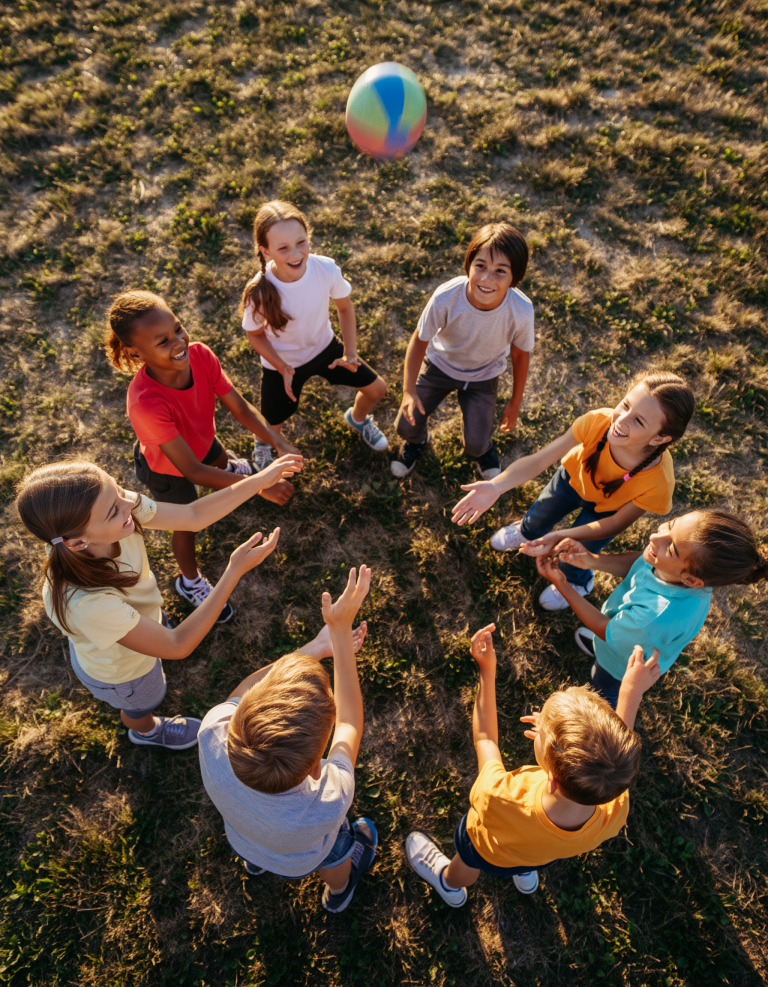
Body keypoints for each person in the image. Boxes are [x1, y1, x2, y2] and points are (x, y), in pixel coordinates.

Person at [15, 457, 302, 750]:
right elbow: (177, 645)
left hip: (129, 625)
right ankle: (146, 731)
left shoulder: (115, 506)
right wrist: (233, 572)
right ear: (76, 542)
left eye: (117, 489)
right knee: (143, 703)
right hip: (124, 673)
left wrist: (259, 481)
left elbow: (192, 515)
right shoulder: (86, 604)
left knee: (155, 640)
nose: (129, 503)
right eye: (114, 510)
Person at [405, 625, 660, 905]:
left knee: (465, 863)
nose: (539, 730)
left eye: (542, 735)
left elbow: (485, 738)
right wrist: (630, 694)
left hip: (488, 849)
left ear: (552, 779)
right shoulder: (614, 806)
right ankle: (525, 872)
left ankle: (448, 884)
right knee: (528, 857)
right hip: (541, 855)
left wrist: (487, 671)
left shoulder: (500, 795)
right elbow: (614, 759)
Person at [107, 290, 298, 623]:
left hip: (202, 441)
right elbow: (192, 471)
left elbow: (239, 407)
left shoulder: (200, 355)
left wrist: (277, 441)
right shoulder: (146, 404)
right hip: (169, 471)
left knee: (220, 459)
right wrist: (258, 484)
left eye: (178, 329)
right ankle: (189, 581)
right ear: (135, 353)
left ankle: (230, 472)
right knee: (188, 526)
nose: (179, 341)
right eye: (163, 341)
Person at [198, 567, 377, 913]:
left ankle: (256, 862)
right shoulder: (327, 802)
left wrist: (316, 646)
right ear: (315, 770)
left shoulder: (211, 733)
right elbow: (351, 725)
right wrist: (339, 637)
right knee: (338, 850)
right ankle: (340, 891)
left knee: (255, 842)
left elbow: (242, 693)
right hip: (303, 856)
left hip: (243, 835)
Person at [451, 370, 695, 611]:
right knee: (539, 515)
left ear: (660, 439)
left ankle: (577, 580)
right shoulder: (596, 421)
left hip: (606, 514)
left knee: (577, 552)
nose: (621, 420)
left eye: (639, 421)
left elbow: (616, 524)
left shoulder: (659, 482)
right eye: (626, 405)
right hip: (571, 480)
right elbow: (539, 460)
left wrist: (561, 536)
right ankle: (526, 531)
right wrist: (497, 485)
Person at [532, 509, 768, 707]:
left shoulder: (655, 618)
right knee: (606, 642)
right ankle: (598, 649)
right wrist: (591, 560)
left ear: (691, 580)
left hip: (621, 664)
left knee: (602, 690)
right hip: (624, 633)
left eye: (671, 547)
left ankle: (603, 704)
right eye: (671, 525)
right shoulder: (672, 568)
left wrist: (562, 584)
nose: (656, 538)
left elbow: (605, 628)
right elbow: (638, 564)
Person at [241, 200, 388, 457]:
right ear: (265, 251)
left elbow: (345, 308)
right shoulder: (258, 292)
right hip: (283, 365)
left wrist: (350, 353)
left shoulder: (325, 269)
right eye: (283, 248)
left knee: (377, 389)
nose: (296, 254)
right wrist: (280, 366)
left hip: (325, 349)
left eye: (301, 242)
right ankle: (263, 446)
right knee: (272, 425)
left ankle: (357, 418)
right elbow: (255, 336)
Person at [391, 222, 534, 481]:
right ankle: (418, 441)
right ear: (468, 264)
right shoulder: (446, 297)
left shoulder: (521, 310)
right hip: (439, 367)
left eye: (500, 271)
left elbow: (520, 355)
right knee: (405, 426)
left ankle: (484, 450)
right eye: (480, 266)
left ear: (516, 277)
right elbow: (419, 340)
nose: (487, 278)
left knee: (476, 444)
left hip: (483, 376)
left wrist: (515, 402)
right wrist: (409, 391)